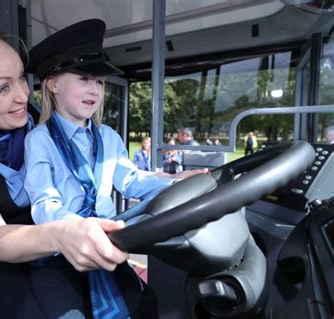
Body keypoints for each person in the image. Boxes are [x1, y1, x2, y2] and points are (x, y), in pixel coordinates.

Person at [0, 20, 129, 318]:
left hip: (55, 249)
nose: (22, 95)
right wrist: (62, 235)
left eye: (21, 78)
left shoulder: (48, 126)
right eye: (3, 87)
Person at [24, 19, 208, 318]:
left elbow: (132, 181)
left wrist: (174, 181)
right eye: (84, 78)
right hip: (60, 255)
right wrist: (78, 228)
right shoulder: (39, 140)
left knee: (147, 304)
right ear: (53, 83)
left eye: (99, 82)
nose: (94, 90)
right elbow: (44, 203)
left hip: (108, 244)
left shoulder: (108, 136)